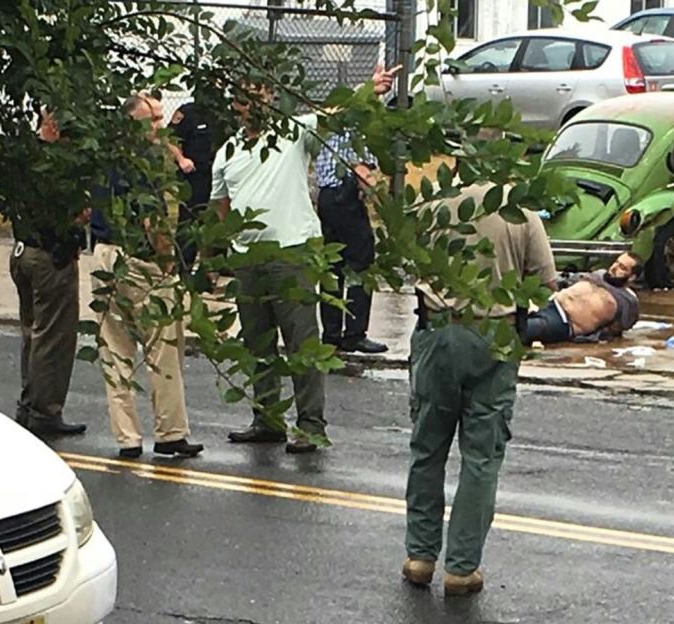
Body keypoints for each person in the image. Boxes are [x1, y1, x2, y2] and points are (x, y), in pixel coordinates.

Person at [212, 64, 399, 453]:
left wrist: (371, 89)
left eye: (262, 94)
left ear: (271, 98)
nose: (255, 103)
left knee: (301, 343)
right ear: (237, 106)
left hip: (292, 252)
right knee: (257, 342)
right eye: (246, 97)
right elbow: (222, 205)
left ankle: (310, 424)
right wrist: (233, 245)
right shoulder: (227, 151)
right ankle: (267, 418)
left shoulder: (292, 133)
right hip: (249, 258)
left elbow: (339, 117)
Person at [403, 185, 558, 596]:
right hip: (496, 336)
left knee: (427, 448)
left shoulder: (432, 206)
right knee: (481, 456)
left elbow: (410, 268)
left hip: (438, 330)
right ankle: (461, 567)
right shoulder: (522, 213)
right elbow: (544, 286)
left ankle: (420, 557)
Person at [90, 94, 202, 459]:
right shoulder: (145, 164)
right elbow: (152, 220)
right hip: (138, 258)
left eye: (159, 117)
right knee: (163, 344)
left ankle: (127, 438)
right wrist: (167, 261)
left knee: (114, 348)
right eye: (151, 119)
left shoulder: (105, 159)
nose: (158, 125)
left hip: (104, 254)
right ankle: (170, 433)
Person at [8, 109, 88, 436]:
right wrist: (78, 221)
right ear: (52, 124)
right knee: (53, 337)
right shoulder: (55, 166)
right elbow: (69, 214)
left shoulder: (22, 159)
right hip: (50, 257)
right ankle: (45, 411)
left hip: (23, 251)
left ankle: (29, 404)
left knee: (32, 333)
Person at [316, 131, 388, 354]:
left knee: (332, 265)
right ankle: (354, 335)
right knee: (361, 264)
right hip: (345, 195)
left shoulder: (329, 122)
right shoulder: (357, 124)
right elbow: (361, 169)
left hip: (326, 198)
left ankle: (331, 334)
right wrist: (381, 199)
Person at [524, 252, 641, 344]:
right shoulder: (599, 274)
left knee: (526, 329)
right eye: (616, 262)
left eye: (622, 267)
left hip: (563, 321)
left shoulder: (628, 301)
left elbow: (618, 328)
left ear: (631, 277)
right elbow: (567, 281)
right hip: (550, 301)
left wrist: (594, 336)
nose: (615, 268)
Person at [167, 101, 214, 280]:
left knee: (216, 220)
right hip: (194, 174)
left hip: (217, 173)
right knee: (190, 219)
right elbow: (170, 138)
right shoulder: (188, 111)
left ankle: (213, 268)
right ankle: (184, 267)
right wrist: (181, 159)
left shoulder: (223, 112)